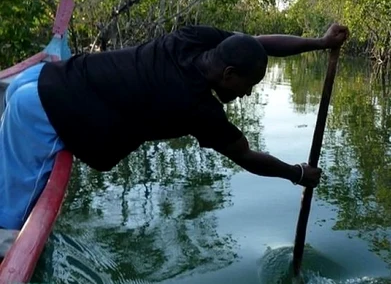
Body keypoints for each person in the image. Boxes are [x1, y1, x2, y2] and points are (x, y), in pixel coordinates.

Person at [0, 23, 350, 231]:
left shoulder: (193, 40)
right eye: (248, 85)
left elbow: (257, 44)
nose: (246, 94)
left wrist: (320, 44)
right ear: (228, 75)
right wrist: (297, 173)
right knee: (12, 218)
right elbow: (246, 156)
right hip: (42, 109)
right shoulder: (196, 107)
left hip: (39, 77)